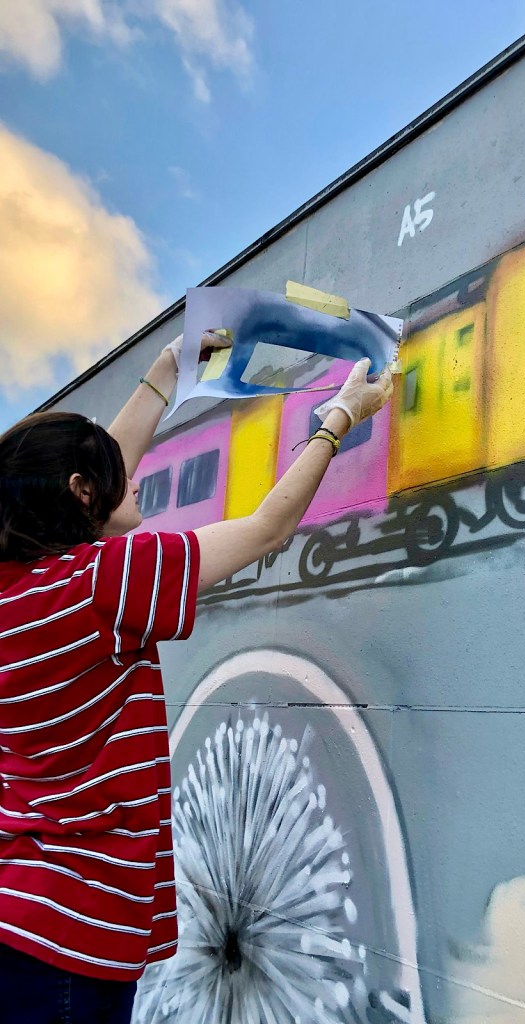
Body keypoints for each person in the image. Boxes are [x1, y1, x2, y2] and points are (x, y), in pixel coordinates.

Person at [0, 330, 393, 1024]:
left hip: (25, 918)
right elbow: (269, 528)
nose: (137, 475)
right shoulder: (103, 583)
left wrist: (167, 371)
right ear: (82, 492)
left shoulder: (18, 591)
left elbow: (91, 475)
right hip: (69, 938)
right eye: (116, 476)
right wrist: (341, 419)